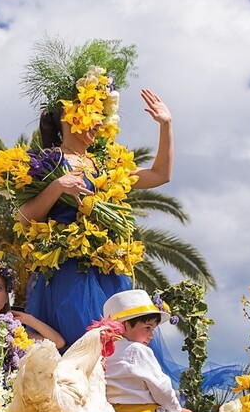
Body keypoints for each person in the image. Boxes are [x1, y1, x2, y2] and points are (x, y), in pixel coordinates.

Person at [18, 39, 173, 349]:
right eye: (94, 112)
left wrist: (165, 126)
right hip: (67, 275)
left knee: (119, 353)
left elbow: (160, 175)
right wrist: (57, 186)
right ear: (69, 115)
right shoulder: (47, 163)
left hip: (109, 273)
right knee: (80, 350)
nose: (100, 122)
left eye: (103, 114)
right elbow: (25, 217)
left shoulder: (106, 163)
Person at [102, 289, 197, 412]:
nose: (151, 335)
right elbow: (161, 388)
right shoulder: (138, 350)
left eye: (153, 329)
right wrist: (176, 409)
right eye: (147, 328)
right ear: (124, 325)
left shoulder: (105, 352)